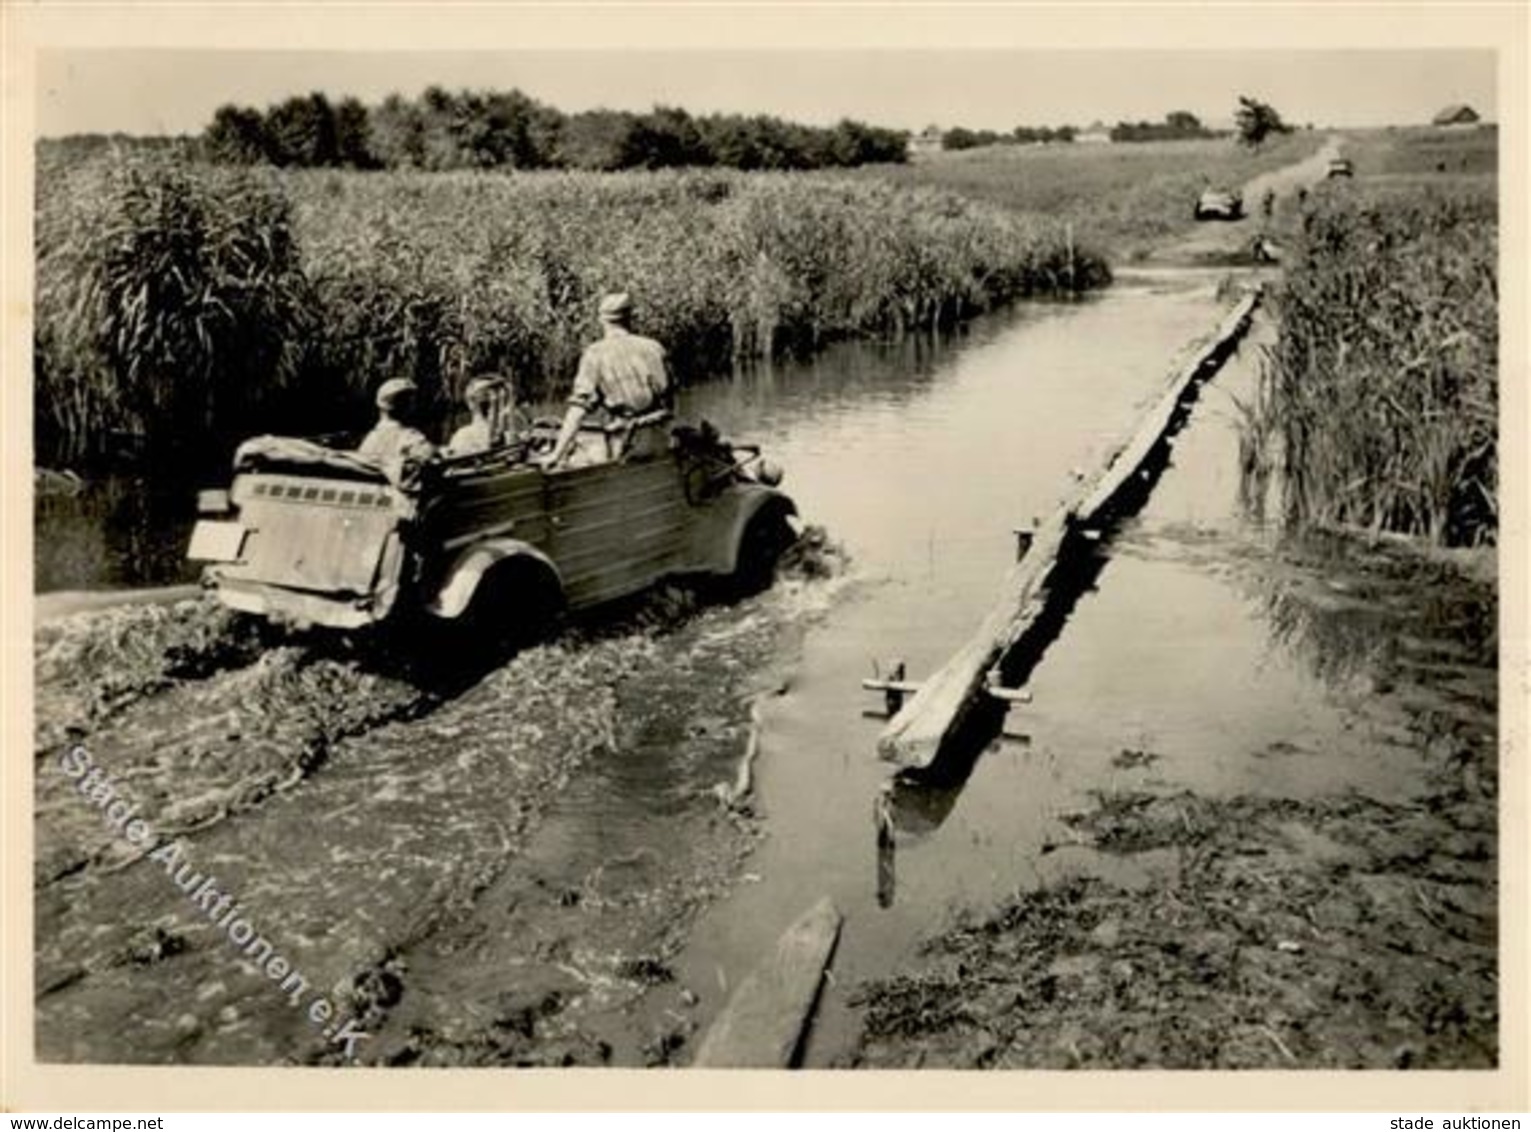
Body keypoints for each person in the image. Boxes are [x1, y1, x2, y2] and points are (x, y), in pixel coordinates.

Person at [543, 292, 673, 469]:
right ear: (629, 318)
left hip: (626, 443)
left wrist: (556, 454)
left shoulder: (595, 354)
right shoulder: (654, 348)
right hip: (659, 440)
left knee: (579, 458)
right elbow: (670, 401)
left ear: (602, 320)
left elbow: (578, 410)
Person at [357, 377, 434, 481]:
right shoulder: (411, 438)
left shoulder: (370, 439)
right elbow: (431, 459)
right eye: (410, 401)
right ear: (406, 406)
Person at [445, 374, 520, 457]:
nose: (493, 399)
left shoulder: (510, 435)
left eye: (498, 396)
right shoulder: (463, 436)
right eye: (485, 395)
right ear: (471, 403)